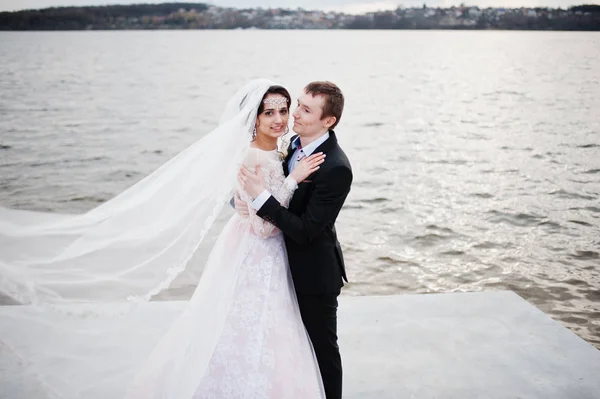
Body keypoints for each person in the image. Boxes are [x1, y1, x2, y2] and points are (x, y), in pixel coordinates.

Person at [0, 80, 327, 398]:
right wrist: (293, 180)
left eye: (284, 110)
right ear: (253, 117)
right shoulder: (254, 156)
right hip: (256, 251)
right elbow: (265, 229)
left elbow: (247, 200)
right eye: (269, 112)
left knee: (256, 327)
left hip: (257, 249)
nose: (280, 119)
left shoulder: (276, 150)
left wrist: (244, 202)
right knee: (251, 324)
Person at [238, 81, 353, 399]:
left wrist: (260, 198)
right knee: (286, 348)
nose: (294, 115)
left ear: (327, 121)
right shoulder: (289, 144)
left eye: (304, 109)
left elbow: (306, 230)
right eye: (297, 105)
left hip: (313, 274)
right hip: (277, 265)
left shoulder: (336, 168)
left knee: (321, 353)